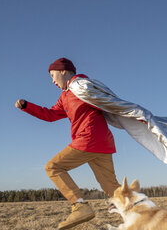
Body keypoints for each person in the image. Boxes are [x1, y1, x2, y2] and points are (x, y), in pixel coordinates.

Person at [15, 58, 121, 230]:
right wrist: (27, 106)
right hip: (103, 143)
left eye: (53, 75)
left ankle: (80, 206)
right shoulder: (65, 96)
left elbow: (108, 100)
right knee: (113, 189)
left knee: (53, 167)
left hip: (88, 139)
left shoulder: (82, 86)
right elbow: (50, 115)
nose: (52, 81)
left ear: (63, 71)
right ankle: (141, 213)